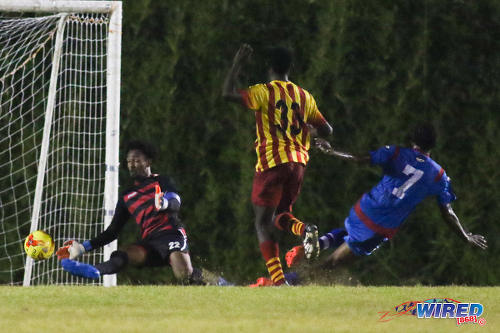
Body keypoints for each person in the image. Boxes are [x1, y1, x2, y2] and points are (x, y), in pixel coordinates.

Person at [285, 122, 487, 272]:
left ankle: (319, 244)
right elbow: (448, 213)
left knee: (349, 231)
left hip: (365, 208)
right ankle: (289, 283)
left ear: (412, 140)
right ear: (432, 145)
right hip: (381, 225)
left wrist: (331, 150)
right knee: (334, 263)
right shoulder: (439, 175)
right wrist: (466, 236)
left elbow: (359, 158)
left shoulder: (396, 152)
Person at [222, 44, 333, 286]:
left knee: (262, 221)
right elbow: (327, 129)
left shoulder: (264, 92)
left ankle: (279, 281)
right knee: (281, 215)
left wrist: (237, 64)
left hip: (272, 161)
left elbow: (227, 94)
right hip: (298, 163)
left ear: (269, 67)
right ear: (290, 68)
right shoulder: (305, 96)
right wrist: (313, 135)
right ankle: (304, 230)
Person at [57, 140, 229, 285]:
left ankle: (221, 283)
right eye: (129, 161)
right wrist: (82, 247)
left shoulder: (161, 181)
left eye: (137, 160)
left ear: (148, 162)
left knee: (184, 275)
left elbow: (176, 201)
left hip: (171, 234)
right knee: (123, 254)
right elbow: (112, 232)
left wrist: (165, 203)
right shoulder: (126, 196)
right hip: (151, 242)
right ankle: (94, 270)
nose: (132, 164)